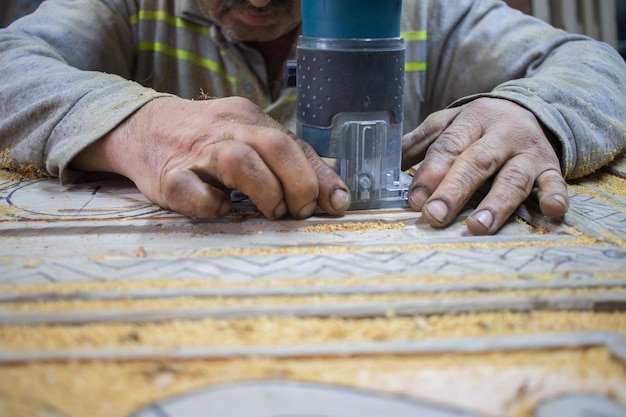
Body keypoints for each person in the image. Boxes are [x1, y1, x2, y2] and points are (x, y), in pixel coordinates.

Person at [0, 0, 624, 235]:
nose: (260, 0)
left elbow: (595, 65)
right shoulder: (129, 7)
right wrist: (136, 125)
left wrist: (528, 112)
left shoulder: (425, 10)